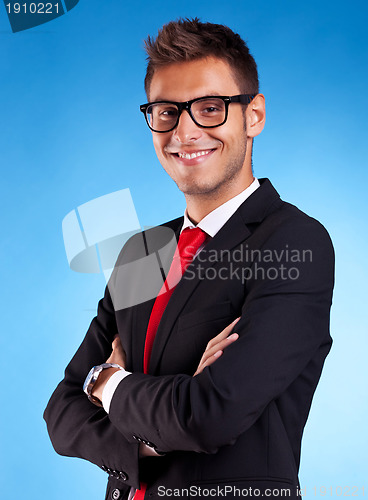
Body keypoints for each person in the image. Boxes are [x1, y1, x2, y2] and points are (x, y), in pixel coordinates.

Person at [44, 18, 334, 500]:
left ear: (253, 115)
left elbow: (209, 415)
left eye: (209, 108)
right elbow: (62, 413)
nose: (185, 131)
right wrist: (149, 437)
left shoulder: (293, 243)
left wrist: (109, 384)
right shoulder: (143, 252)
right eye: (166, 112)